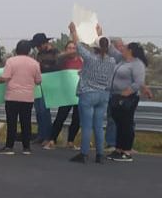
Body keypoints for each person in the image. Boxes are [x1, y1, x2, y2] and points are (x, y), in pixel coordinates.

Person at [67, 23, 118, 164]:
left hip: (88, 93)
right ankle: (100, 154)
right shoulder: (112, 61)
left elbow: (77, 45)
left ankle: (84, 153)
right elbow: (102, 44)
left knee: (87, 125)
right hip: (103, 95)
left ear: (95, 47)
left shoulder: (90, 58)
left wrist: (73, 31)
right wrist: (100, 32)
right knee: (98, 126)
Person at [0, 40, 42, 155]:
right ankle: (26, 147)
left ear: (16, 50)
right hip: (27, 97)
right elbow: (38, 81)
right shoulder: (35, 63)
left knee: (12, 122)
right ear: (29, 51)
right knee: (26, 122)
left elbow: (4, 78)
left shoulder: (11, 61)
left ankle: (9, 147)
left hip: (12, 96)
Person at [107, 40, 147, 162]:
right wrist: (100, 34)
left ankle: (127, 151)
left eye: (125, 47)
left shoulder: (137, 64)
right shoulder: (122, 60)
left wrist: (129, 91)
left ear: (130, 50)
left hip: (128, 97)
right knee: (118, 123)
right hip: (116, 95)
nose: (122, 49)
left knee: (126, 123)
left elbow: (139, 81)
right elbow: (111, 50)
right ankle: (118, 148)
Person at [46, 41, 83, 149]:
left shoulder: (81, 60)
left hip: (78, 94)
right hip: (65, 94)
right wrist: (68, 53)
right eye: (69, 48)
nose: (72, 50)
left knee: (77, 118)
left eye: (74, 48)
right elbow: (57, 58)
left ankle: (70, 141)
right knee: (61, 117)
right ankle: (52, 139)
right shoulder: (62, 61)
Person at [31, 33, 58, 144]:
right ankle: (41, 134)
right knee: (38, 110)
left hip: (49, 83)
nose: (38, 48)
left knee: (44, 110)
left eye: (39, 46)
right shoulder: (39, 54)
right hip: (38, 83)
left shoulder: (55, 53)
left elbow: (57, 67)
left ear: (44, 44)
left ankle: (47, 136)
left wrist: (41, 66)